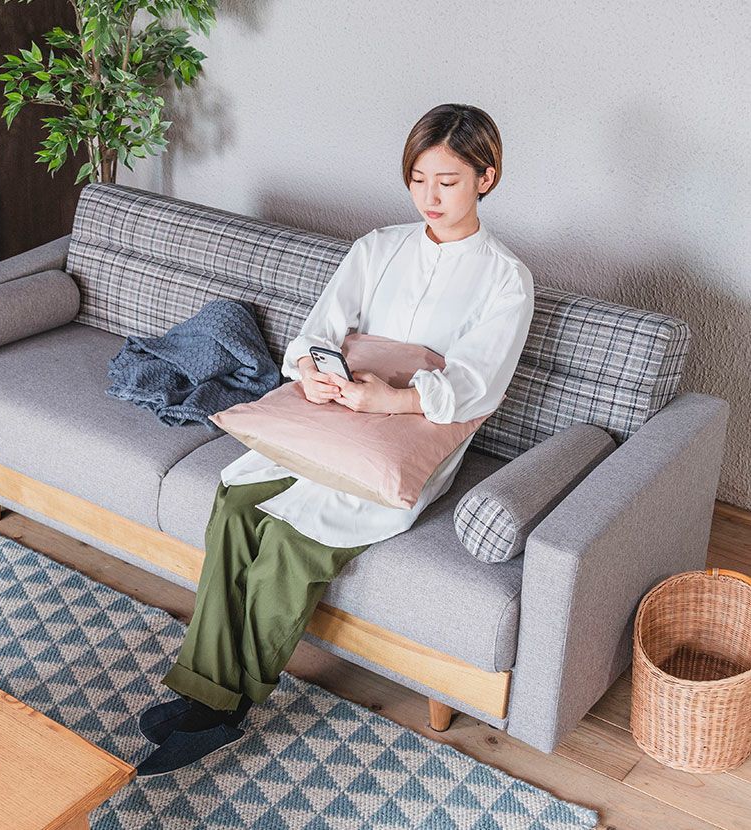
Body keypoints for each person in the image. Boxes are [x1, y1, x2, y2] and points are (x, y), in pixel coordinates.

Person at [135, 103, 535, 777]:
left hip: (410, 436)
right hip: (334, 416)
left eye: (447, 181)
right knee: (236, 503)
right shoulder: (378, 247)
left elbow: (476, 384)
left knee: (291, 540)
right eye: (417, 179)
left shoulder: (505, 278)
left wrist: (392, 399)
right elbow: (319, 330)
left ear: (485, 178)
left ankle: (227, 710)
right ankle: (204, 693)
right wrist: (314, 372)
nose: (430, 197)